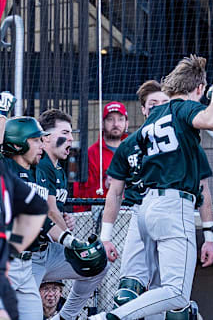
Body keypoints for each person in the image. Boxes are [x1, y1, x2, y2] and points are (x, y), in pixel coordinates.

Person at [90, 55, 213, 320]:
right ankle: (111, 318)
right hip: (173, 205)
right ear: (198, 88)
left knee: (147, 290)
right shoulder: (181, 107)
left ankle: (116, 315)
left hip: (145, 207)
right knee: (177, 294)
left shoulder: (153, 120)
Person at [34, 109, 110, 320]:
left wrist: (65, 219)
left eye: (71, 133)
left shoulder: (58, 169)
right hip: (28, 257)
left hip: (50, 250)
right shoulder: (41, 164)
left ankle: (65, 317)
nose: (71, 139)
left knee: (97, 264)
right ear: (46, 137)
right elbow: (49, 211)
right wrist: (72, 239)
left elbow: (55, 211)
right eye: (65, 132)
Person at [0, 92, 49, 320]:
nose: (42, 144)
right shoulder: (5, 167)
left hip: (26, 264)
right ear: (19, 142)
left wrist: (68, 238)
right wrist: (2, 115)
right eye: (37, 139)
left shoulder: (37, 171)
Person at [74, 101, 129, 210]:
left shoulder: (133, 151)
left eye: (120, 119)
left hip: (131, 213)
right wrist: (104, 184)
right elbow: (79, 195)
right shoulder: (91, 154)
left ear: (127, 123)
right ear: (102, 124)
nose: (116, 124)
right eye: (110, 119)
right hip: (99, 214)